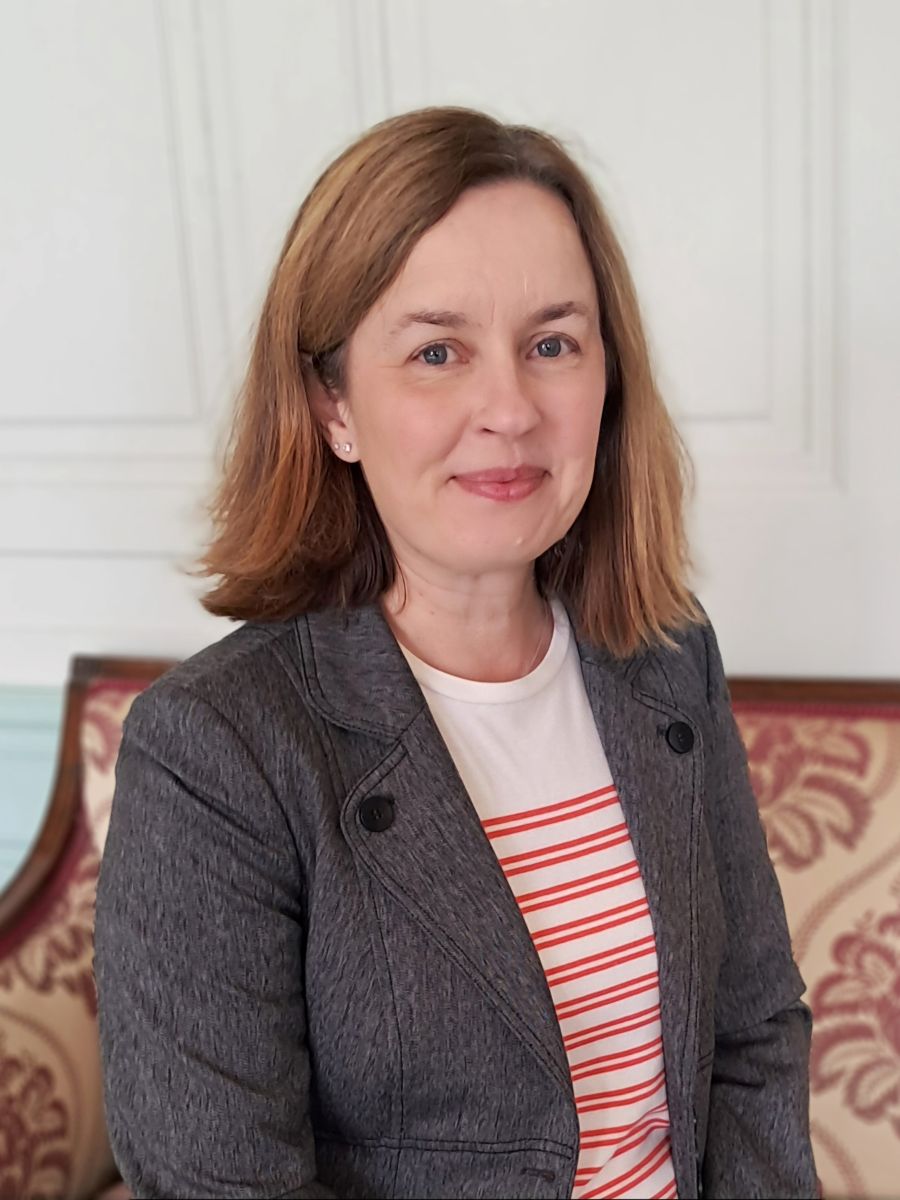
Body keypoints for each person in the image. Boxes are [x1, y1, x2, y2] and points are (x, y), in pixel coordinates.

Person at [94, 106, 817, 1200]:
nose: (509, 409)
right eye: (438, 351)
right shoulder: (218, 752)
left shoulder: (668, 657)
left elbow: (753, 1035)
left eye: (552, 345)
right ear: (333, 404)